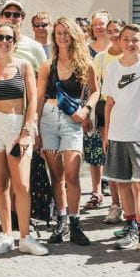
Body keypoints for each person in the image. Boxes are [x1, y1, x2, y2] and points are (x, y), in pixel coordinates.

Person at [0, 24, 47, 255]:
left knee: (22, 185)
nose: (4, 41)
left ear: (14, 41)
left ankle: (25, 237)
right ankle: (6, 235)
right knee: (0, 184)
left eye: (9, 37)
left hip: (18, 127)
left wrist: (28, 130)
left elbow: (33, 100)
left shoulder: (24, 66)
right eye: (0, 37)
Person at [102, 23, 140, 255]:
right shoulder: (111, 69)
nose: (130, 43)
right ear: (120, 41)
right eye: (126, 39)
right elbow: (109, 104)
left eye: (135, 40)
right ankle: (130, 227)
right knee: (123, 183)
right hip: (118, 133)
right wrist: (107, 135)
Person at [36, 17, 98, 246]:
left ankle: (75, 223)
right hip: (48, 120)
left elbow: (95, 91)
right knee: (57, 175)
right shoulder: (47, 65)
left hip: (73, 120)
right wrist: (34, 127)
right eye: (59, 33)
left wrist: (87, 110)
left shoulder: (85, 64)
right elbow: (40, 96)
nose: (62, 37)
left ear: (74, 35)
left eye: (66, 33)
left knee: (72, 173)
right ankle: (60, 220)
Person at [92, 18, 125, 223]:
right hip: (107, 110)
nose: (113, 34)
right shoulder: (101, 58)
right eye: (110, 31)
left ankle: (134, 205)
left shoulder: (133, 55)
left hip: (129, 111)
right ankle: (115, 204)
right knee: (110, 156)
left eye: (117, 31)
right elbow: (94, 87)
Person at [83, 10, 111, 211]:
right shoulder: (86, 50)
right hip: (94, 103)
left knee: (110, 144)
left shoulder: (118, 48)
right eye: (96, 24)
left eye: (103, 24)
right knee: (94, 146)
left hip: (113, 103)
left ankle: (111, 183)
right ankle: (96, 190)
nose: (99, 28)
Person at [0, 0, 47, 72]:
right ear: (1, 17)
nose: (11, 18)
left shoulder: (35, 47)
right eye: (7, 14)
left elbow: (45, 76)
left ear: (22, 18)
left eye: (16, 15)